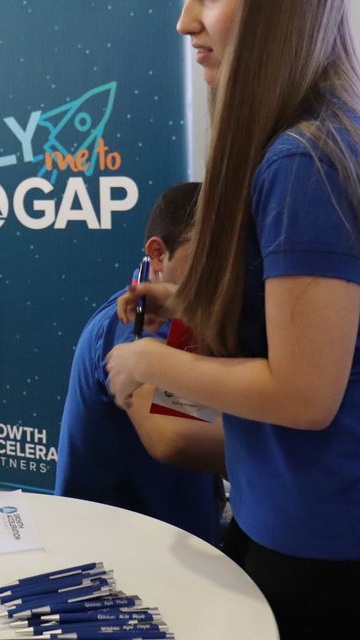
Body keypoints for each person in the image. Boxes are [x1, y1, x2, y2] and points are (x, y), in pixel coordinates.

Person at [105, 0, 360, 640]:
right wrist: (191, 304)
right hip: (311, 526)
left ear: (280, 1)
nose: (185, 20)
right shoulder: (316, 134)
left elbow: (303, 393)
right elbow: (308, 331)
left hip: (343, 546)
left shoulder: (302, 161)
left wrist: (147, 364)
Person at [55, 181, 223, 543]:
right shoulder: (134, 327)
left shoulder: (199, 320)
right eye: (210, 253)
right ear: (158, 254)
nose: (225, 272)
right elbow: (175, 437)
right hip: (118, 557)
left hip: (179, 542)